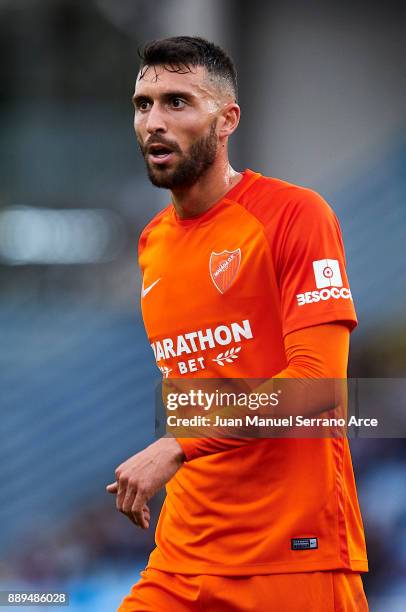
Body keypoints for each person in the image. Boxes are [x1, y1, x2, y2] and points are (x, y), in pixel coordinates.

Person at [106, 36, 368, 611]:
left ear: (227, 120)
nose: (154, 121)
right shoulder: (153, 243)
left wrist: (179, 445)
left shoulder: (296, 215)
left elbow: (320, 386)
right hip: (181, 561)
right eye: (142, 103)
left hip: (290, 559)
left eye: (177, 102)